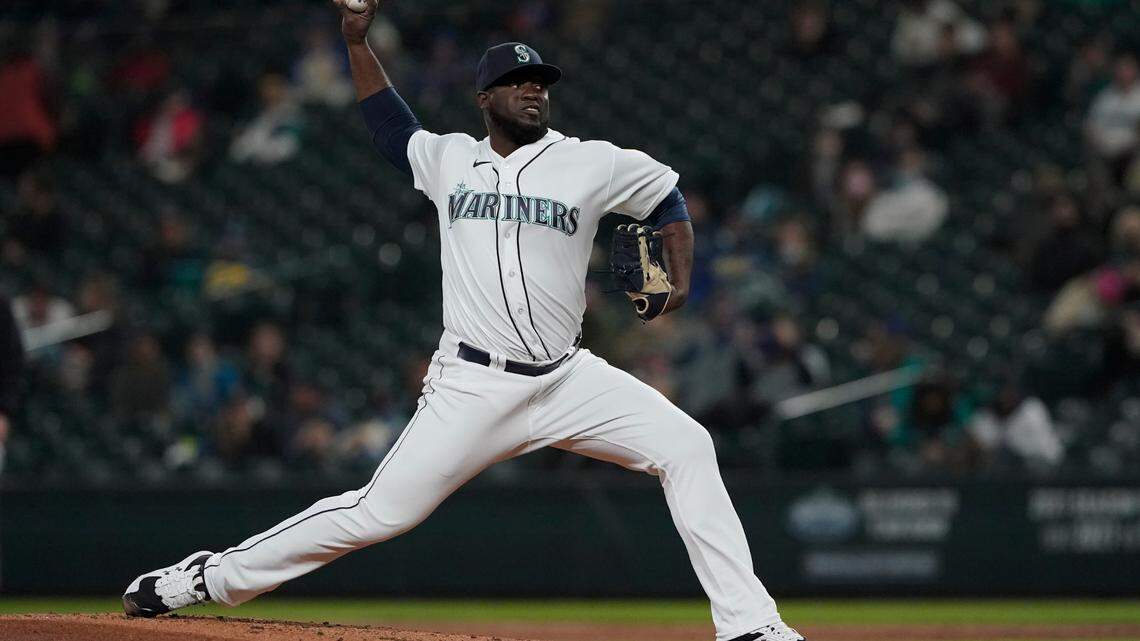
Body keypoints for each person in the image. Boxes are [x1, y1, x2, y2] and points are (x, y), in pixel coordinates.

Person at [121, 2, 804, 640]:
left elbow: (666, 195)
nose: (533, 89)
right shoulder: (450, 158)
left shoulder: (589, 162)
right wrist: (356, 43)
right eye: (516, 80)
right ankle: (205, 576)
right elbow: (390, 124)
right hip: (472, 385)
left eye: (540, 80)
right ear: (486, 98)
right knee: (376, 513)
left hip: (568, 378)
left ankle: (749, 624)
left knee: (687, 445)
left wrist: (678, 284)